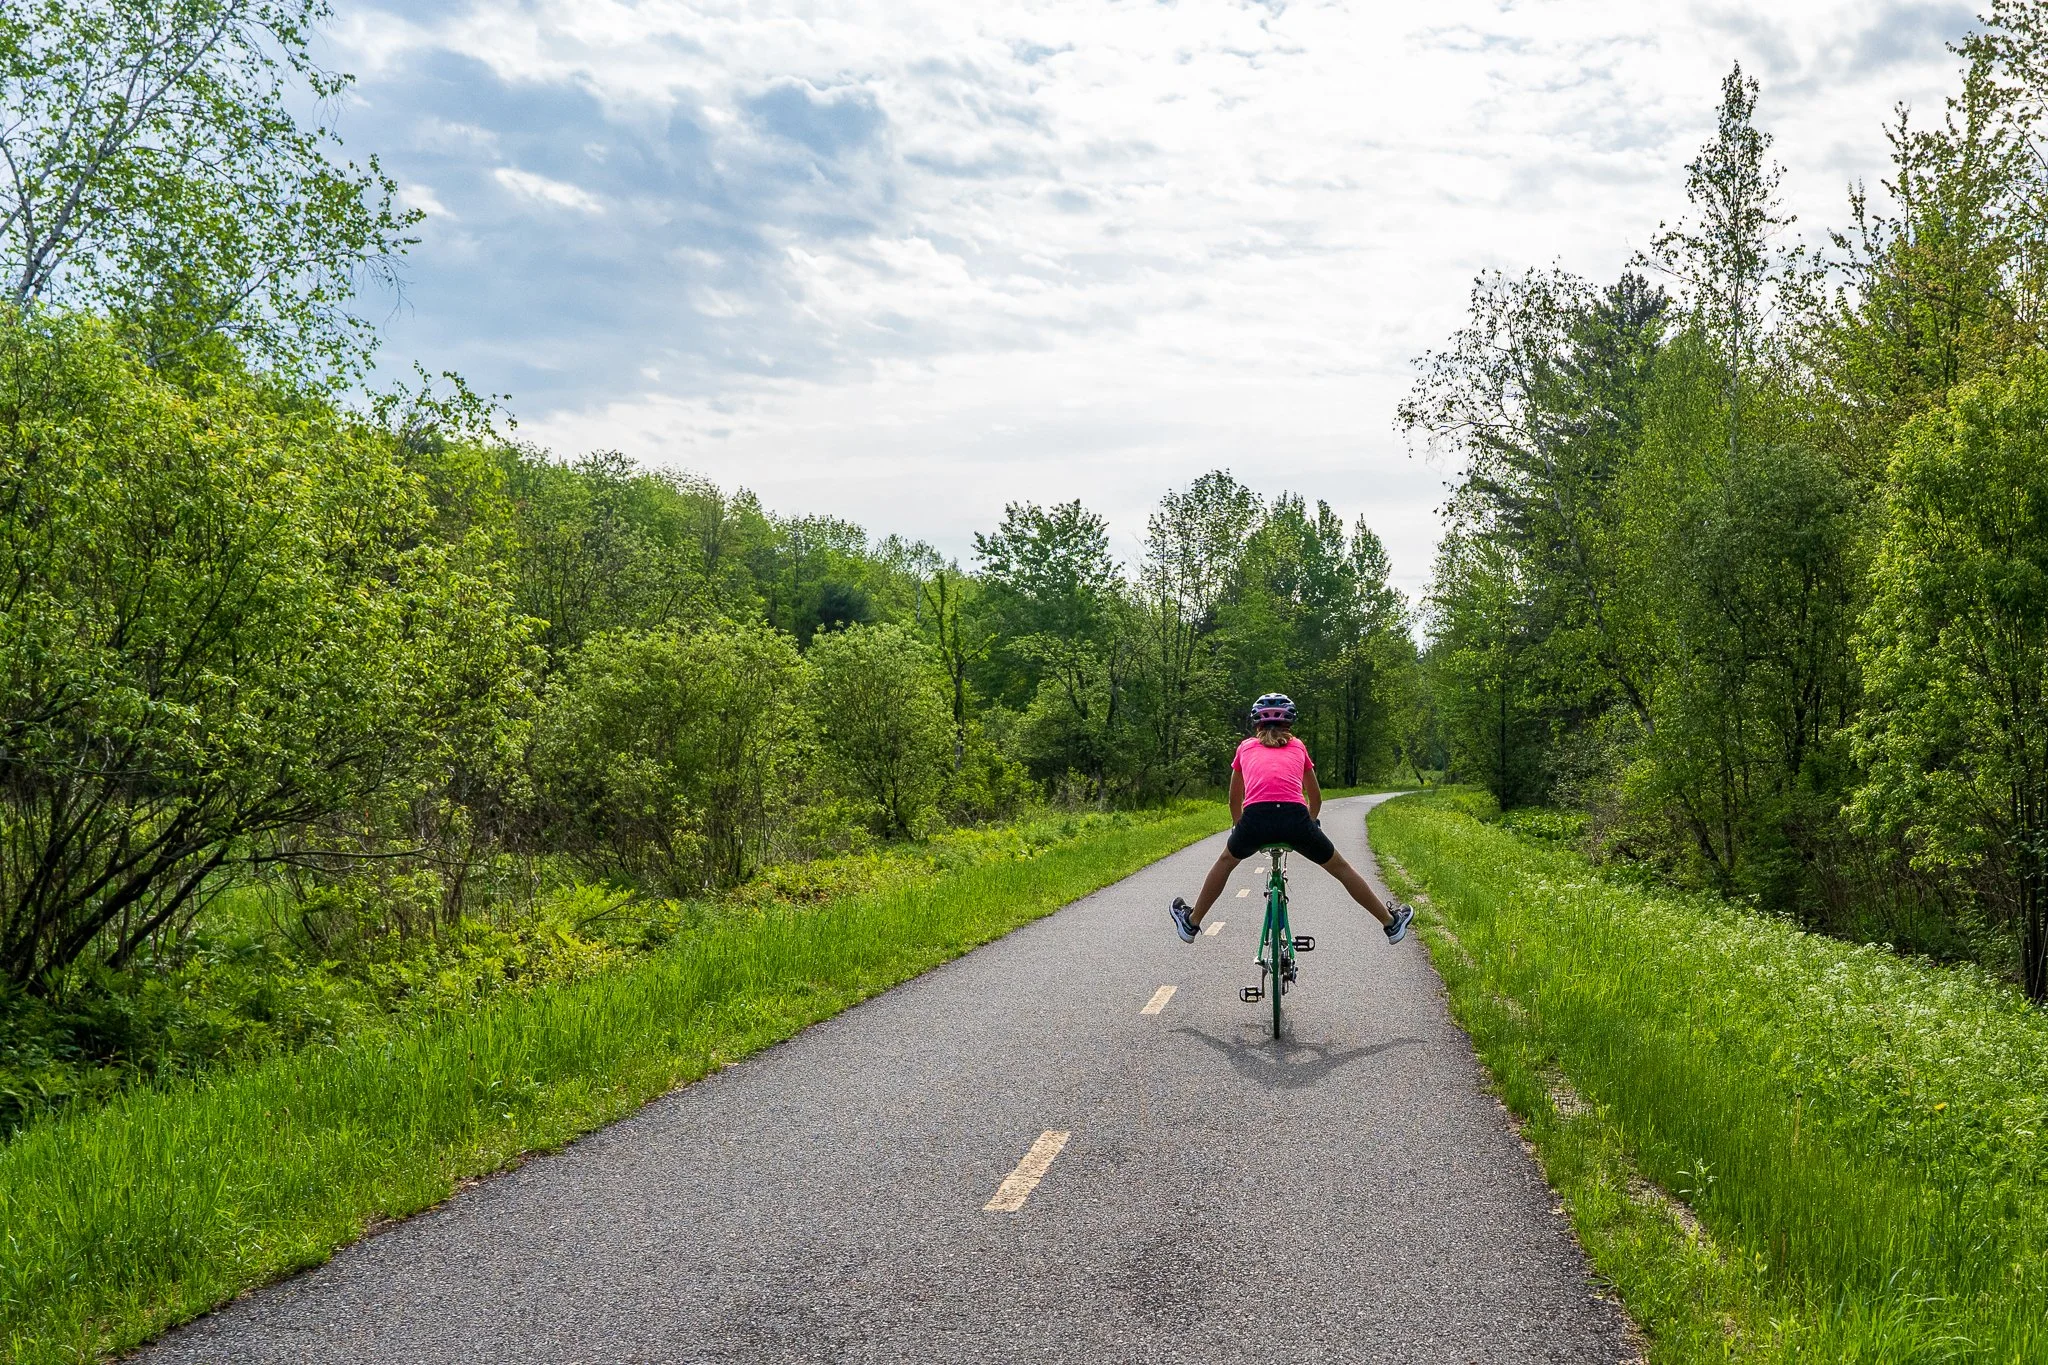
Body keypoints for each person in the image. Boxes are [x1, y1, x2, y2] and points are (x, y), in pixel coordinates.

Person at [1168, 693, 1414, 945]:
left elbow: (1234, 800)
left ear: (1256, 724)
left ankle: (1192, 922)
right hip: (1295, 818)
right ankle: (1390, 924)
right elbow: (1315, 798)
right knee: (1341, 869)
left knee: (1225, 862)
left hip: (1255, 819)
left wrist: (1238, 827)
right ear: (1290, 723)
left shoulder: (1245, 748)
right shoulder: (1298, 746)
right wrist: (1311, 823)